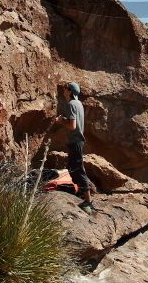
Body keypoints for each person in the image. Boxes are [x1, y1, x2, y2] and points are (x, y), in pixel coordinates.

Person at [53, 81, 95, 214]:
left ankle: (88, 201)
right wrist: (65, 119)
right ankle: (84, 196)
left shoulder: (71, 104)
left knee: (78, 170)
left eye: (65, 88)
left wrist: (61, 121)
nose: (63, 90)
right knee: (73, 169)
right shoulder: (79, 104)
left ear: (70, 91)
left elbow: (72, 126)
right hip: (77, 141)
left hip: (75, 141)